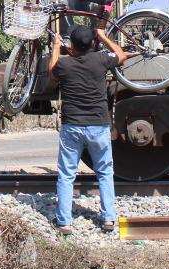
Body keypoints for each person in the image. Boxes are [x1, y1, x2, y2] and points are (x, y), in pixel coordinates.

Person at [47, 20, 126, 235]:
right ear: (92, 44)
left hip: (72, 126)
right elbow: (122, 54)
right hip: (98, 126)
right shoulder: (101, 60)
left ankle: (64, 223)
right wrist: (103, 37)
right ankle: (108, 218)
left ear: (71, 45)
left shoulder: (65, 64)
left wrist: (55, 46)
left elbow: (52, 71)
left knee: (66, 175)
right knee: (105, 172)